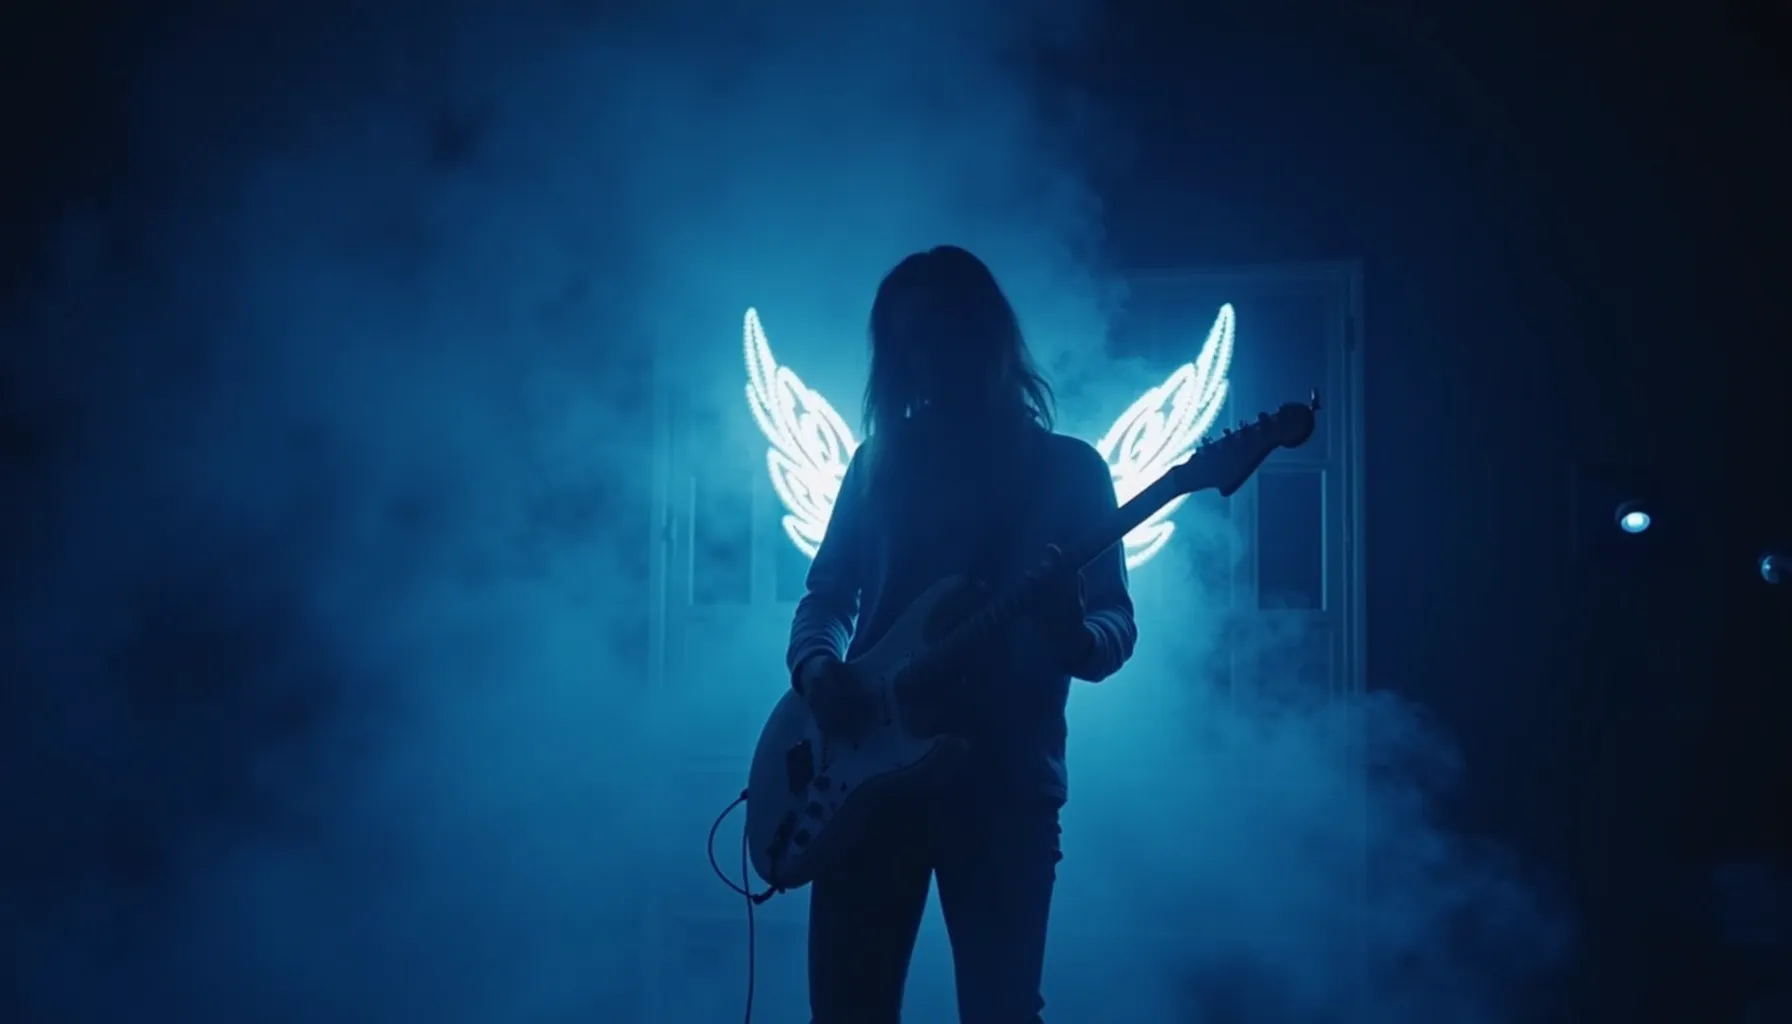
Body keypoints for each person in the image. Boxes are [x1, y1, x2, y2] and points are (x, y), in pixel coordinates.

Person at [785, 245, 1138, 1023]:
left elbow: (1115, 621)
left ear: (987, 335)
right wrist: (817, 668)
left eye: (944, 331)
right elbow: (827, 596)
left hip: (1004, 787)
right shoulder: (875, 465)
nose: (930, 355)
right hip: (866, 782)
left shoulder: (1070, 470)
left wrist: (1072, 636)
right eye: (911, 339)